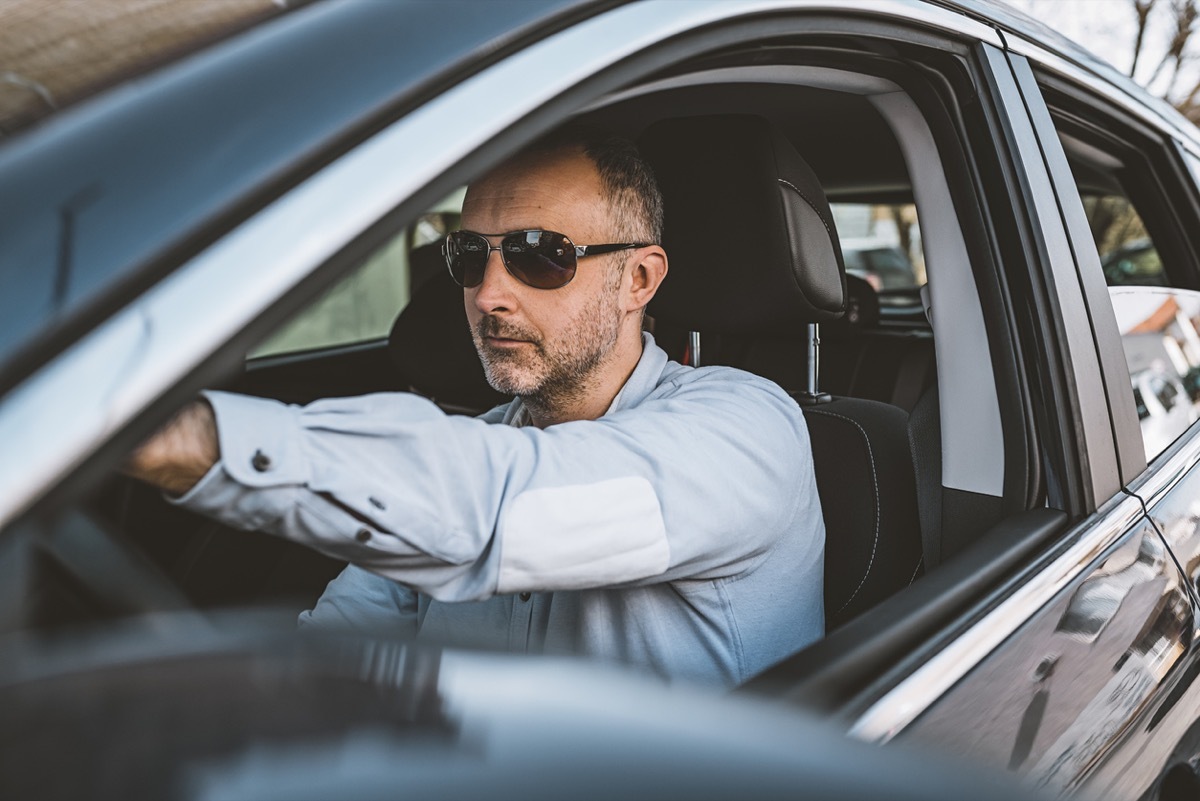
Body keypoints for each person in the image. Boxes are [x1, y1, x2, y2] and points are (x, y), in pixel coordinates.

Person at [125, 130, 825, 686]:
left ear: (637, 278)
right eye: (469, 255)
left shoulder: (749, 432)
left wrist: (186, 439)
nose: (488, 293)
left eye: (538, 255)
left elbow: (498, 502)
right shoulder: (468, 450)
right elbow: (331, 652)